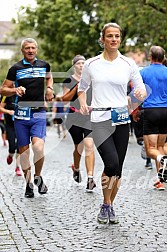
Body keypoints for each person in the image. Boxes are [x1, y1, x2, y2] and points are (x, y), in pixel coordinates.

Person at [78, 23, 146, 224]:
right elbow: (82, 89)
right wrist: (83, 103)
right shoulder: (91, 64)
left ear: (120, 39)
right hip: (99, 120)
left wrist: (138, 95)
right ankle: (106, 203)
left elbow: (140, 87)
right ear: (103, 39)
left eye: (117, 36)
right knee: (111, 163)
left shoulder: (128, 63)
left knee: (119, 169)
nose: (114, 39)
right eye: (110, 36)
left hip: (121, 119)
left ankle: (108, 205)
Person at [1, 38, 54, 198]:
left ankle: (38, 176)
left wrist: (50, 88)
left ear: (36, 50)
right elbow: (3, 89)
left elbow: (49, 77)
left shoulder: (44, 65)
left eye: (33, 48)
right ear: (22, 51)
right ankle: (29, 184)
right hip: (21, 115)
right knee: (24, 152)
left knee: (38, 148)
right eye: (27, 48)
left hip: (38, 113)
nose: (30, 50)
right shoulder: (15, 68)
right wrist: (15, 90)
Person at [61, 55, 96, 192]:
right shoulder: (69, 80)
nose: (81, 65)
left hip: (89, 116)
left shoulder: (92, 80)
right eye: (79, 63)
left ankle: (90, 178)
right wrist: (76, 88)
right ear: (74, 65)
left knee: (89, 144)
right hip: (74, 116)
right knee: (79, 147)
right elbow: (64, 99)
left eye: (83, 63)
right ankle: (76, 168)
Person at [141, 45, 167, 190]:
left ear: (150, 56)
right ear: (163, 57)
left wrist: (134, 111)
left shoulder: (143, 73)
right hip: (166, 111)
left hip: (151, 110)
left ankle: (161, 172)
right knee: (160, 147)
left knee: (151, 149)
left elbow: (136, 94)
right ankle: (159, 180)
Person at [0, 95, 22, 176]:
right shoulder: (6, 95)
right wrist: (8, 112)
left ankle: (17, 167)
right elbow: (0, 107)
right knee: (12, 147)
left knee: (20, 147)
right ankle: (10, 155)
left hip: (21, 124)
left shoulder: (23, 93)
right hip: (10, 125)